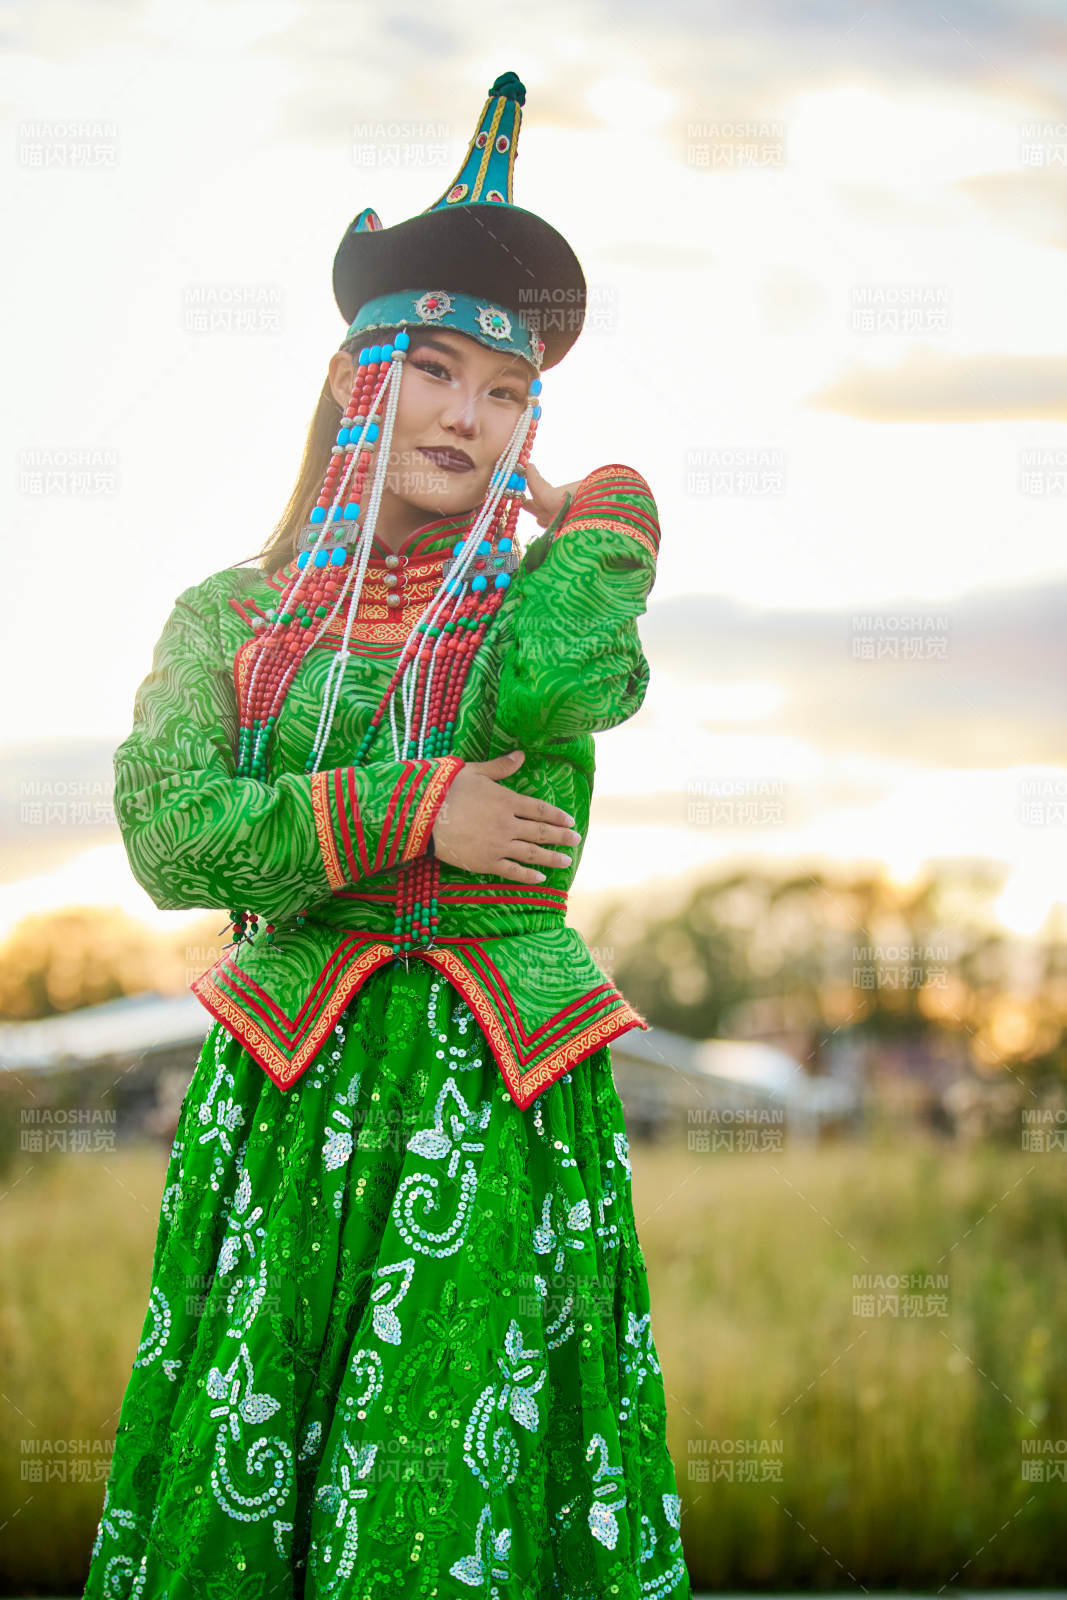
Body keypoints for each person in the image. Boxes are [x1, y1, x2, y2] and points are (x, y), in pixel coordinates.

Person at [83, 71, 692, 1599]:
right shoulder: (223, 616)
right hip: (288, 1103)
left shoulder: (536, 611)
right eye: (435, 371)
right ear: (361, 381)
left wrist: (611, 520)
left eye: (506, 396)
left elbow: (554, 687)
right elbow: (172, 837)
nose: (468, 418)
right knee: (255, 1457)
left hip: (489, 1095)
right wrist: (419, 804)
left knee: (446, 1463)